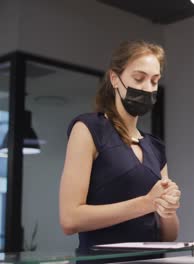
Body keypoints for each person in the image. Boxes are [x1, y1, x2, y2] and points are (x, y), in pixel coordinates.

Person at [59, 40, 180, 250]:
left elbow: (169, 236)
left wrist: (167, 209)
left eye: (154, 80)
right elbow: (70, 219)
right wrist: (146, 203)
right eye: (139, 78)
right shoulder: (89, 129)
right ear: (115, 79)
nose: (148, 88)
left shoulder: (155, 146)